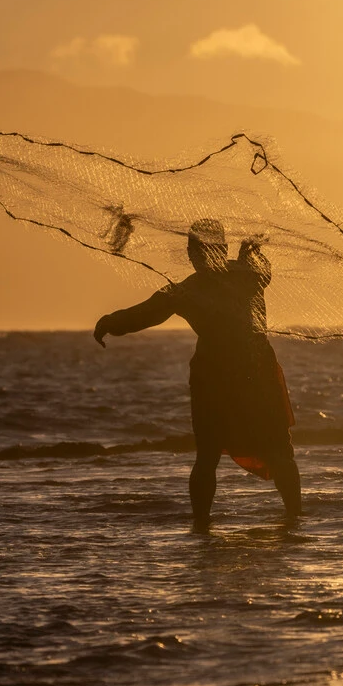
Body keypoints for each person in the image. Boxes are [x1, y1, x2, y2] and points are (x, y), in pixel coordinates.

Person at [93, 219, 302, 533]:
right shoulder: (234, 280)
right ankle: (212, 524)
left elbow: (147, 312)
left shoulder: (220, 283)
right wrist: (111, 321)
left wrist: (112, 322)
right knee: (215, 454)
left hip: (242, 373)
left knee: (273, 450)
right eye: (195, 250)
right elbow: (147, 312)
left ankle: (287, 519)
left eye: (203, 249)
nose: (198, 256)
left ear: (217, 249)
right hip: (229, 374)